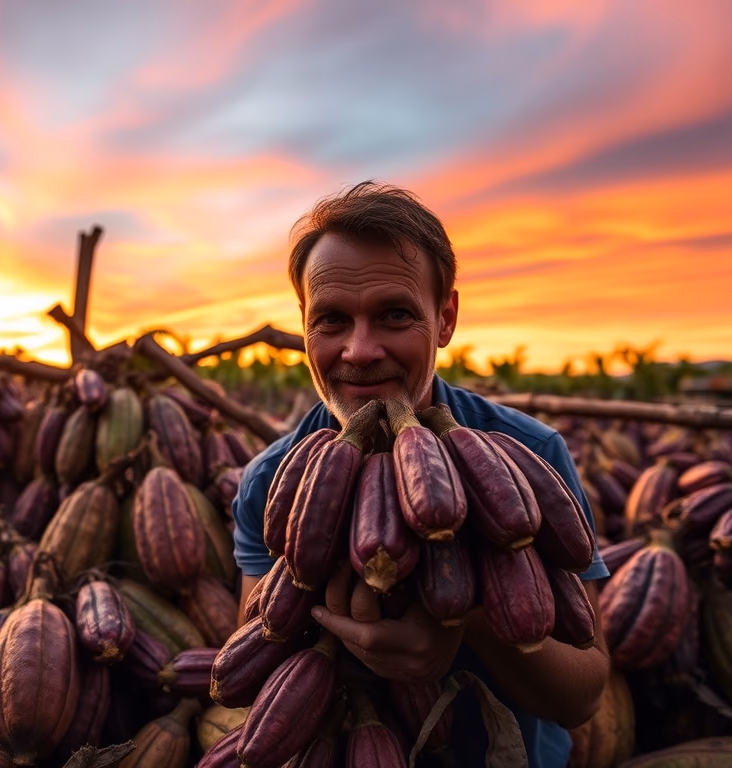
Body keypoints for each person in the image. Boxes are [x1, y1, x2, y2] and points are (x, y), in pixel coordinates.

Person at [230, 181, 610, 767]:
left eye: (395, 315)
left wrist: (470, 622)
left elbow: (582, 692)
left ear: (445, 318)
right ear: (304, 325)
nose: (360, 349)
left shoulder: (529, 455)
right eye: (331, 320)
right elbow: (259, 663)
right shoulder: (272, 480)